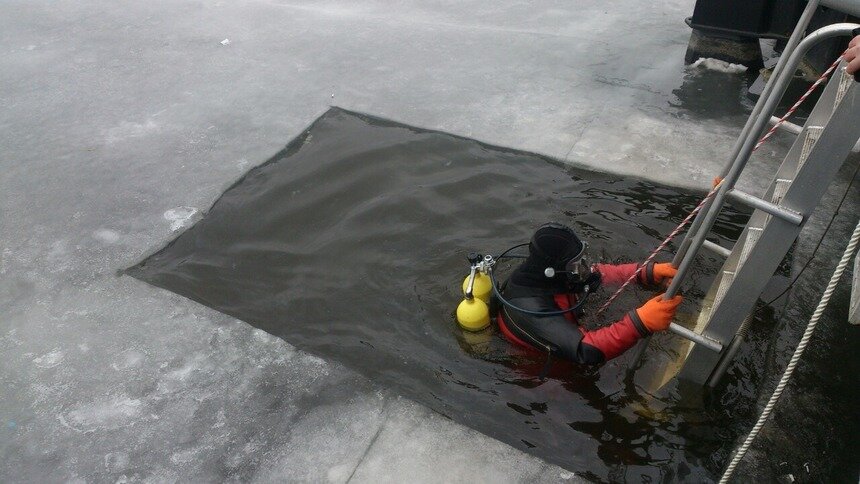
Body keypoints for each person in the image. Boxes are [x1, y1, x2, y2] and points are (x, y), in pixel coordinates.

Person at [497, 223, 682, 366]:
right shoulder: (530, 310)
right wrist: (640, 322)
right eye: (575, 264)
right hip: (542, 373)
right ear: (554, 270)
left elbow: (595, 275)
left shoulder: (547, 274)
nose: (583, 268)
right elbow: (586, 350)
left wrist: (644, 273)